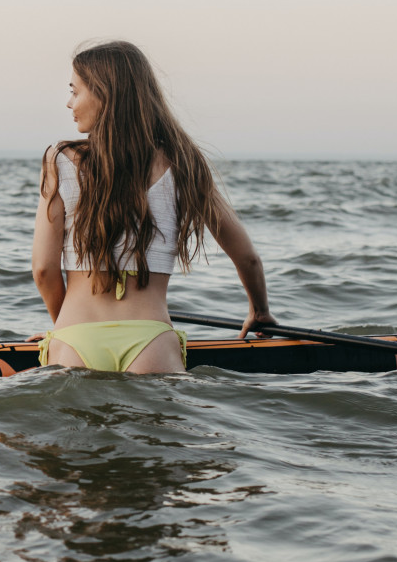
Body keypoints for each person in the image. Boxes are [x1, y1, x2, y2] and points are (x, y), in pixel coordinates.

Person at [33, 40, 274, 374]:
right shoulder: (184, 162)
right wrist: (259, 311)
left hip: (75, 339)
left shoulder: (59, 161)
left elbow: (44, 270)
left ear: (104, 93)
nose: (69, 102)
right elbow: (247, 256)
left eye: (76, 91)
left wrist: (64, 328)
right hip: (152, 341)